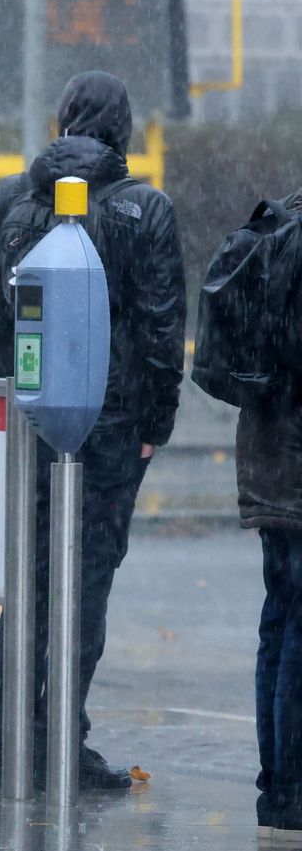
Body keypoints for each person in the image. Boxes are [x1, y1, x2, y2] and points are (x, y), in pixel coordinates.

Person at [0, 71, 186, 790]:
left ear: (63, 121)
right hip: (112, 428)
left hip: (31, 422)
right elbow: (161, 329)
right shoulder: (143, 211)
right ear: (121, 132)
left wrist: (12, 390)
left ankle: (11, 733)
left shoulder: (13, 202)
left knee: (28, 575)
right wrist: (153, 420)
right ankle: (61, 733)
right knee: (84, 581)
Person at [229, 188, 302, 842]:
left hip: (267, 453)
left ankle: (274, 784)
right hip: (297, 460)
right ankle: (291, 791)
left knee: (279, 619)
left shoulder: (276, 229)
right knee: (296, 626)